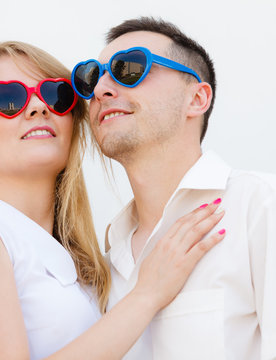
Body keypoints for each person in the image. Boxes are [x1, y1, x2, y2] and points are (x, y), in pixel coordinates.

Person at [0, 40, 225, 360]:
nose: (38, 107)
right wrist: (146, 295)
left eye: (56, 95)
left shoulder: (87, 262)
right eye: (8, 98)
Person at [73, 17, 275, 359]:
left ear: (196, 98)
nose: (100, 89)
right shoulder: (103, 264)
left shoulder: (258, 205)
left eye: (129, 68)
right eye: (91, 76)